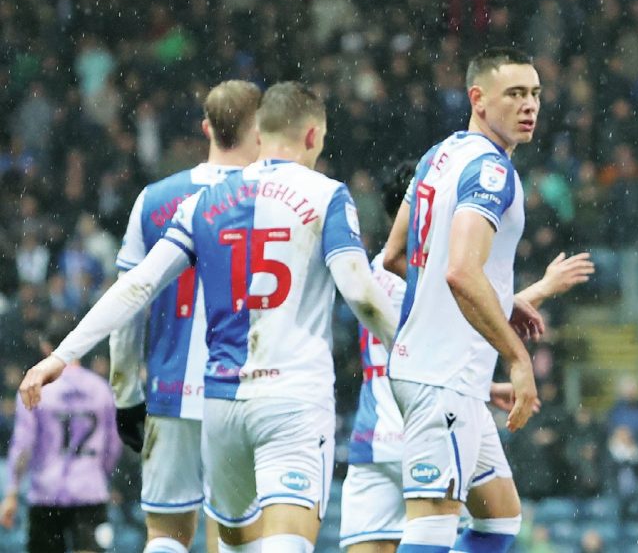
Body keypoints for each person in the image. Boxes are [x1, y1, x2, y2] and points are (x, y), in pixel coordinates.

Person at [18, 81, 400, 553]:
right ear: (311, 135)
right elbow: (362, 295)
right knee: (285, 541)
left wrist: (62, 354)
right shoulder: (327, 196)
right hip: (292, 399)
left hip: (221, 404)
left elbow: (136, 286)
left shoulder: (198, 204)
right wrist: (410, 350)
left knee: (226, 543)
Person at [340, 161, 593, 553]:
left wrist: (486, 385)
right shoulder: (423, 274)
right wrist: (543, 288)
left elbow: (420, 336)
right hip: (427, 420)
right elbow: (471, 309)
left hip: (373, 439)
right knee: (491, 522)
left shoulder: (377, 273)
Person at [378, 47, 541, 553]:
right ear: (478, 98)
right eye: (514, 94)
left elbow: (395, 254)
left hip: (440, 375)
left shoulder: (438, 155)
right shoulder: (492, 172)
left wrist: (494, 297)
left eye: (535, 93)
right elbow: (460, 271)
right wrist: (518, 358)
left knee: (499, 519)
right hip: (441, 377)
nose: (529, 105)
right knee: (430, 528)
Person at [110, 79, 261, 553]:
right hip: (243, 391)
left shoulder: (154, 199)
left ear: (207, 128)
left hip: (171, 390)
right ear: (261, 129)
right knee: (238, 532)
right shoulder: (269, 200)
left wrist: (127, 394)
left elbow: (127, 305)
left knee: (167, 534)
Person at [1, 323, 121, 553]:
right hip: (89, 491)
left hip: (47, 492)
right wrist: (100, 473)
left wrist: (12, 491)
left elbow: (23, 445)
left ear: (46, 348)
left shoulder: (35, 388)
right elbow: (113, 444)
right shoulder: (100, 388)